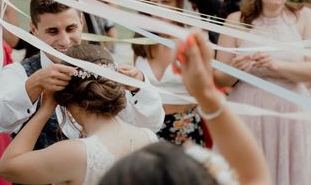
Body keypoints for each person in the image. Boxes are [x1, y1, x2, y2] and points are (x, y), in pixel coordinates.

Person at [0, 0, 164, 151]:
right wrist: (34, 83)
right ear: (34, 29)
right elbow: (1, 122)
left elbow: (152, 124)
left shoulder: (104, 66)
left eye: (71, 28)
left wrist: (139, 87)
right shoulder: (18, 73)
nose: (64, 40)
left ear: (81, 22)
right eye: (53, 31)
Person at [99, 30, 270, 185]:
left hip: (183, 121)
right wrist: (206, 93)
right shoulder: (142, 45)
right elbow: (254, 176)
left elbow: (254, 177)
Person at [0, 44, 158, 184]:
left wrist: (45, 109)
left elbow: (7, 167)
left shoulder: (76, 153)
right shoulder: (149, 137)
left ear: (66, 99)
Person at [214, 0, 311, 184]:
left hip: (291, 111)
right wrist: (236, 70)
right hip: (247, 110)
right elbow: (219, 77)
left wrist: (276, 65)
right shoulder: (236, 20)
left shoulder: (304, 17)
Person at [132, 0, 204, 145]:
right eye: (154, 3)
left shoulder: (190, 41)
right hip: (147, 130)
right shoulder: (140, 44)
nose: (159, 9)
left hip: (185, 127)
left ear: (177, 4)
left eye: (166, 2)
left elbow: (203, 89)